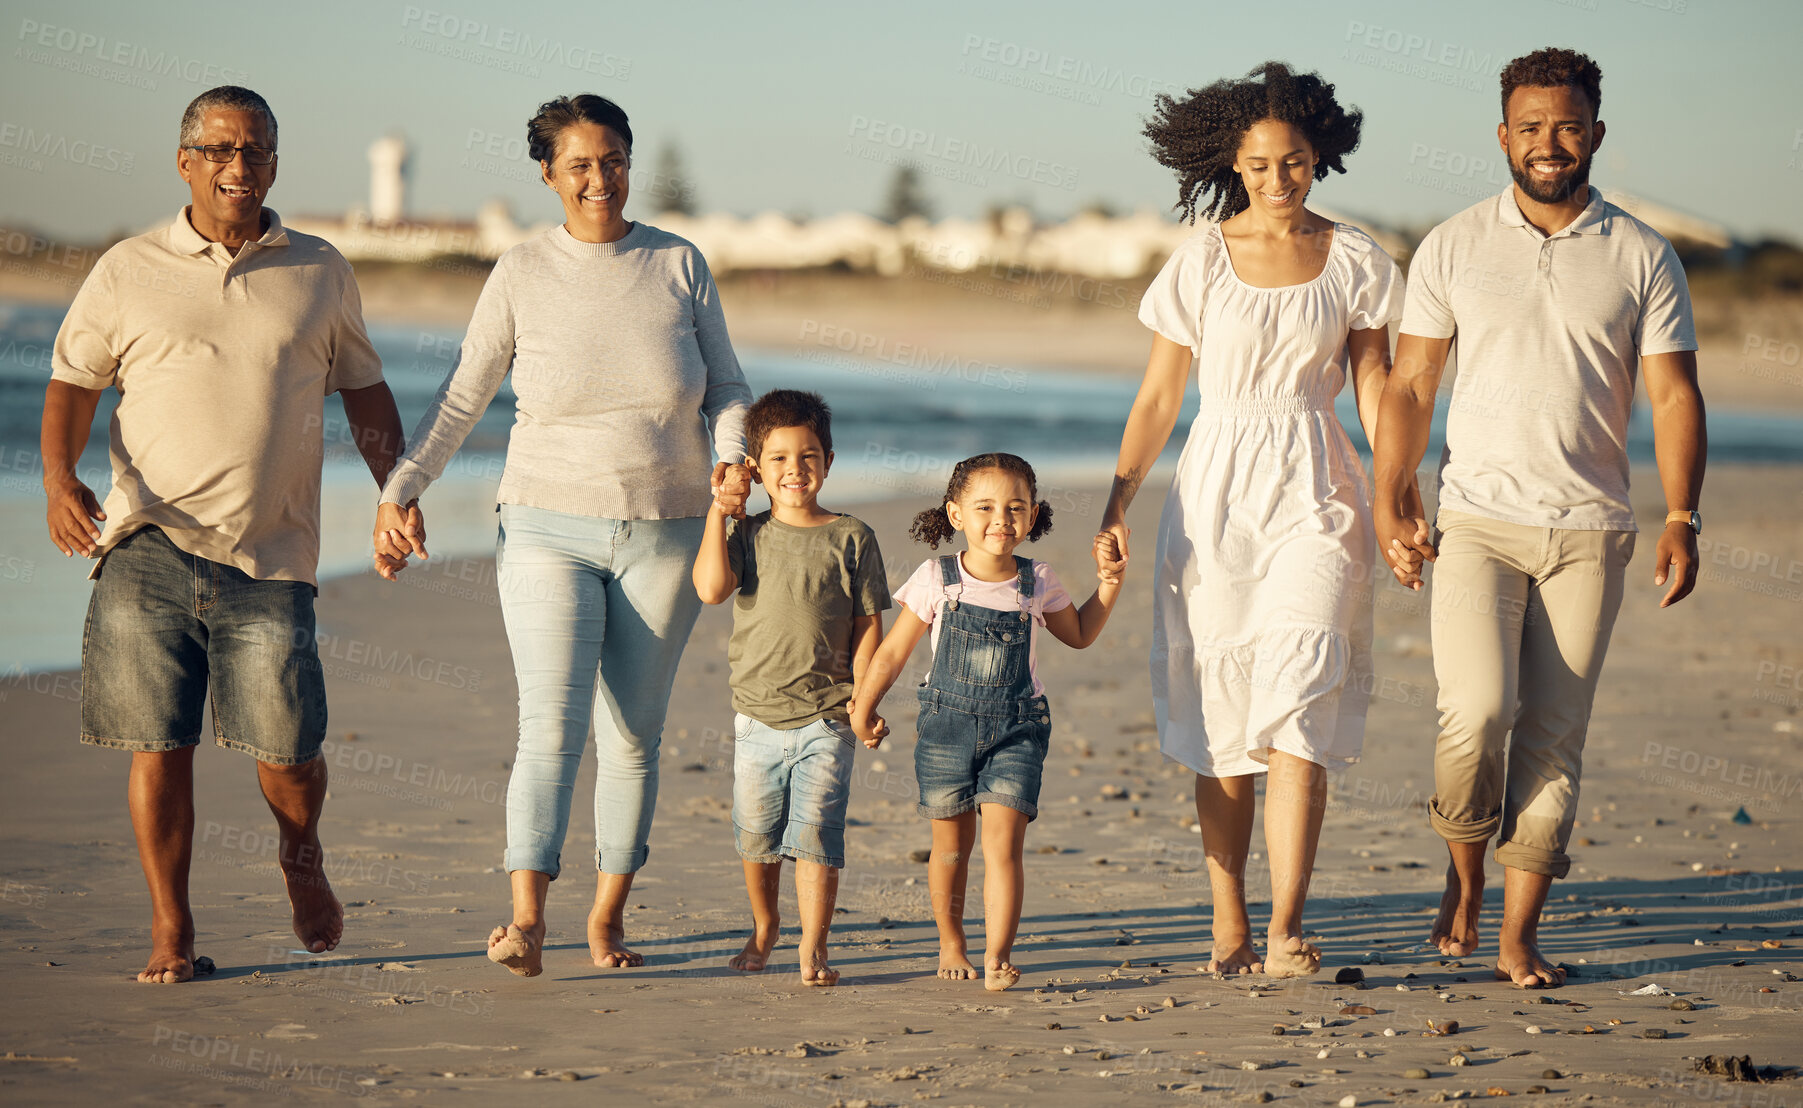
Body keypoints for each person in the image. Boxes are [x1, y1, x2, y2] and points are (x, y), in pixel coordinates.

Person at [370, 94, 753, 977]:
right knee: (550, 726)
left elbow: (727, 387)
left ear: (629, 164)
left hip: (670, 528)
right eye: (578, 163)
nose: (599, 178)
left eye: (613, 159)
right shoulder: (520, 270)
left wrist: (733, 461)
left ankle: (608, 921)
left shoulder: (677, 263)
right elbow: (464, 394)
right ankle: (527, 919)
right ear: (547, 174)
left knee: (632, 735)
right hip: (546, 523)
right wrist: (403, 489)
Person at [43, 86, 404, 983]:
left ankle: (300, 854)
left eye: (255, 150)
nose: (237, 166)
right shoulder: (128, 266)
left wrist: (396, 492)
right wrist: (58, 478)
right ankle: (172, 929)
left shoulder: (320, 268)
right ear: (185, 161)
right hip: (145, 543)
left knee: (290, 752)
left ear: (275, 162)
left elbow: (362, 388)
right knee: (157, 744)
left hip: (273, 555)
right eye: (219, 150)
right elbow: (73, 382)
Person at [1373, 47, 1704, 989]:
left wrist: (1681, 514)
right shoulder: (1452, 243)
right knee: (1475, 712)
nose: (1548, 144)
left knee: (1554, 738)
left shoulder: (1641, 254)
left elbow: (1675, 397)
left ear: (1595, 132)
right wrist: (1391, 497)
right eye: (1529, 127)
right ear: (1502, 136)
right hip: (1475, 520)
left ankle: (1518, 934)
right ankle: (1464, 873)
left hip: (1590, 530)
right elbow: (1408, 382)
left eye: (1566, 127)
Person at [1096, 62, 1409, 978]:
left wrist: (1395, 496)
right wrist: (1116, 501)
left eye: (1297, 162)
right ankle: (1228, 916)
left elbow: (1374, 382)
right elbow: (1160, 397)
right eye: (1262, 164)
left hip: (1317, 481)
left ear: (1322, 159)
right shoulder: (1196, 257)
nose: (1279, 181)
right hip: (1214, 496)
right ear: (1233, 163)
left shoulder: (1354, 257)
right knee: (1224, 715)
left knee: (1301, 697)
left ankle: (1286, 927)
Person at [851, 454, 1122, 991]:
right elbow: (890, 655)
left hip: (1018, 730)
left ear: (1033, 514)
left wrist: (1110, 582)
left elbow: (1082, 633)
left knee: (1004, 848)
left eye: (1015, 507)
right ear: (955, 514)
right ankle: (952, 942)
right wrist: (863, 709)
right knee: (951, 848)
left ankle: (998, 955)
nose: (1001, 518)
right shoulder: (936, 578)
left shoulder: (1038, 580)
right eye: (985, 507)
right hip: (945, 729)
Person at [691, 389, 891, 986]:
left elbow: (870, 623)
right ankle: (764, 927)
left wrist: (864, 699)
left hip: (828, 716)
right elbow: (709, 589)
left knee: (816, 833)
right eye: (777, 459)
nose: (794, 470)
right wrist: (718, 513)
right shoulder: (747, 534)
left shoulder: (852, 536)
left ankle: (814, 947)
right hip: (756, 716)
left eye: (808, 456)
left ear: (828, 461)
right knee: (756, 835)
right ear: (755, 469)